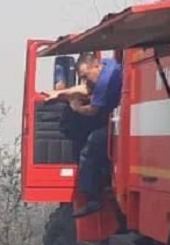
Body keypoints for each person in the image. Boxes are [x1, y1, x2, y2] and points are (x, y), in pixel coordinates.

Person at [44, 51, 123, 217]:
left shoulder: (103, 82)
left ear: (96, 66)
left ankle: (92, 197)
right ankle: (103, 177)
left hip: (120, 124)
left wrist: (75, 107)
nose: (86, 80)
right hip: (121, 120)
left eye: (86, 75)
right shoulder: (109, 66)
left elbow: (92, 110)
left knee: (91, 146)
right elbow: (86, 88)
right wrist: (61, 93)